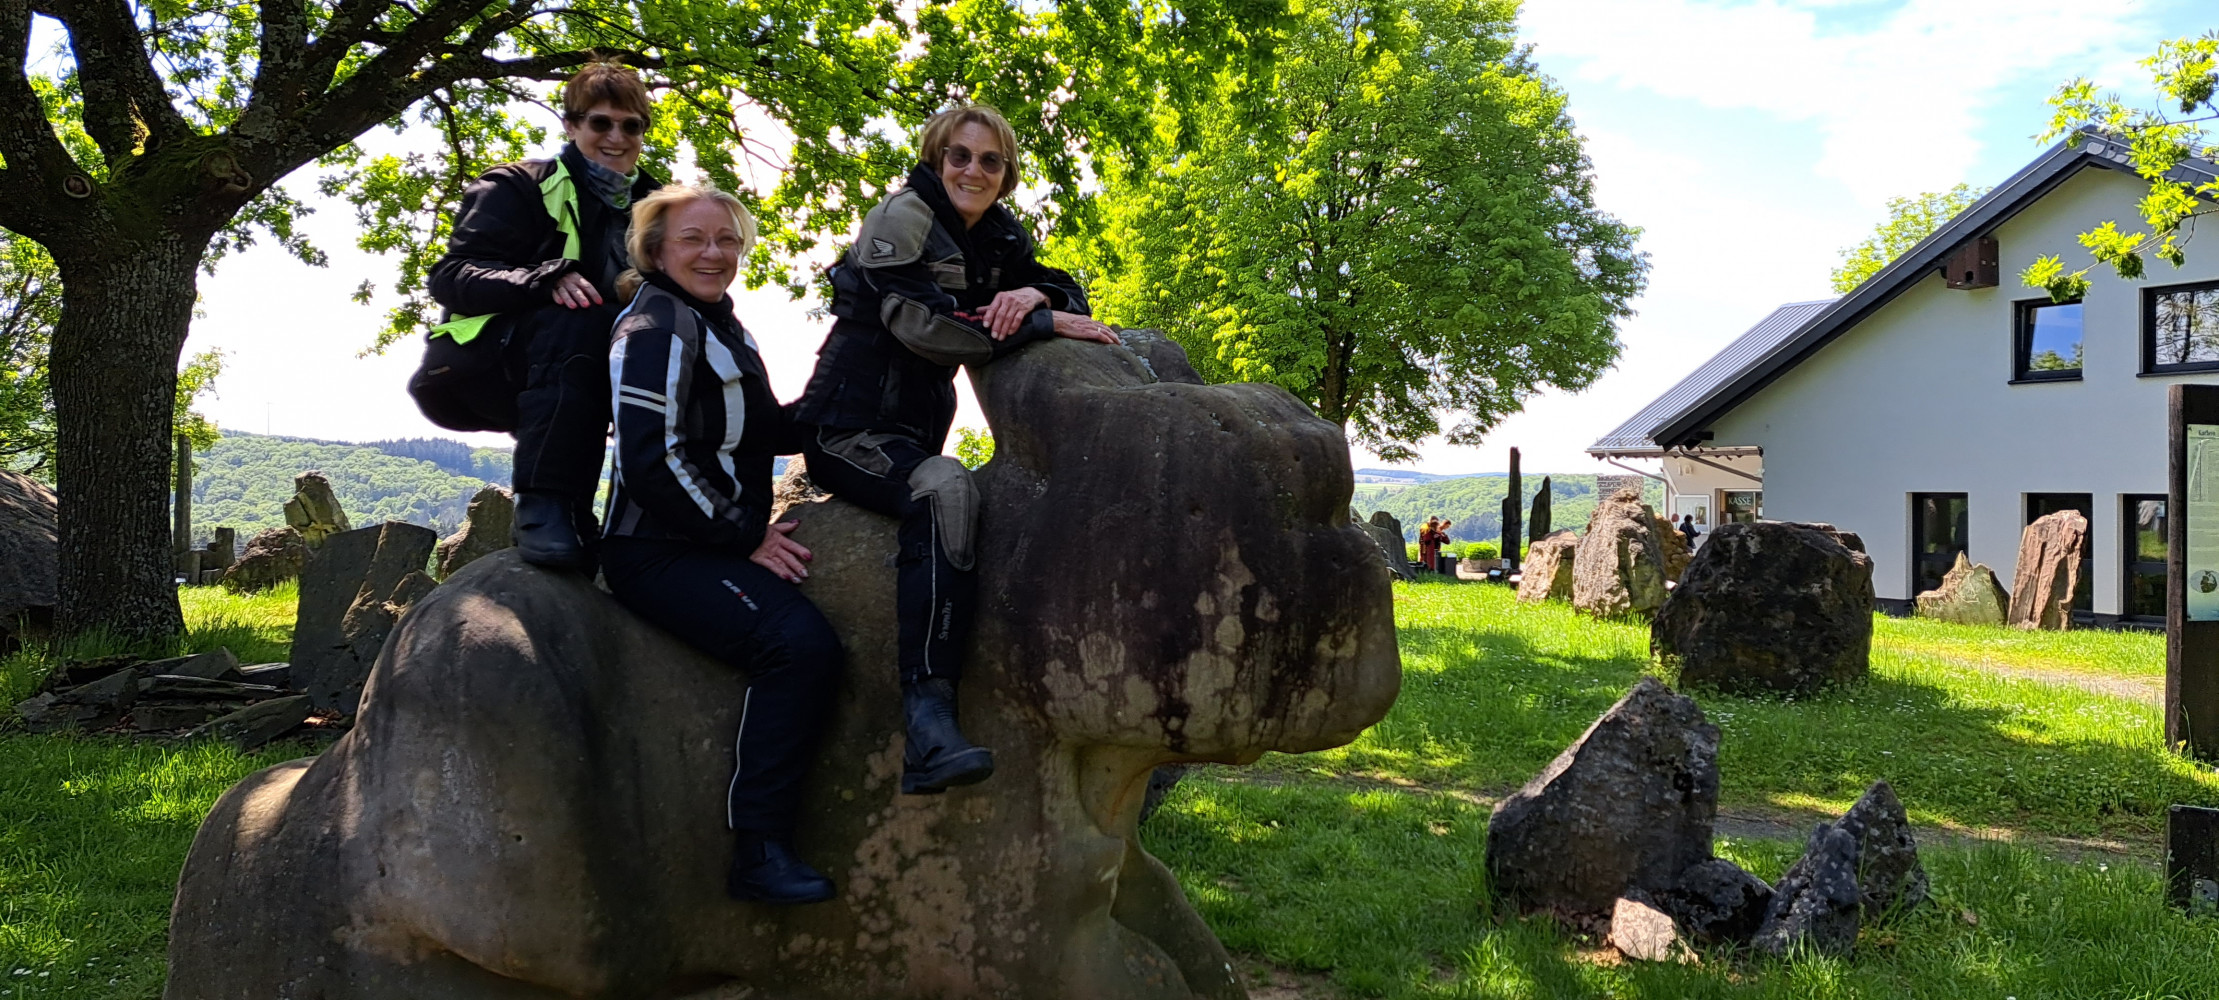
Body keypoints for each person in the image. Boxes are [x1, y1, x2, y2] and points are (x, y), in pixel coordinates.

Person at [794, 104, 1119, 795]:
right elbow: (922, 326)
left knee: (958, 490)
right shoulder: (901, 217)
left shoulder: (997, 234)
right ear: (936, 159)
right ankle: (928, 722)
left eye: (990, 160)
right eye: (960, 156)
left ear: (1005, 174)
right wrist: (1037, 323)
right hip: (848, 429)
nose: (974, 170)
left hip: (914, 432)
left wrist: (1031, 292)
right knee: (946, 488)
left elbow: (1071, 293)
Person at [600, 184, 843, 905]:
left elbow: (764, 431)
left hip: (703, 543)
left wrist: (848, 369)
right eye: (694, 239)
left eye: (727, 240)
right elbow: (650, 459)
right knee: (799, 646)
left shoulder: (721, 325)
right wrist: (743, 536)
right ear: (655, 250)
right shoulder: (654, 326)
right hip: (656, 552)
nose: (714, 253)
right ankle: (758, 852)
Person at [423, 60, 661, 571]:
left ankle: (643, 520)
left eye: (631, 125)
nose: (616, 137)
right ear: (571, 125)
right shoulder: (517, 186)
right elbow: (451, 275)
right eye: (600, 122)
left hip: (606, 367)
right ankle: (543, 506)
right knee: (578, 316)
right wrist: (541, 279)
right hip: (491, 368)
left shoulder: (658, 204)